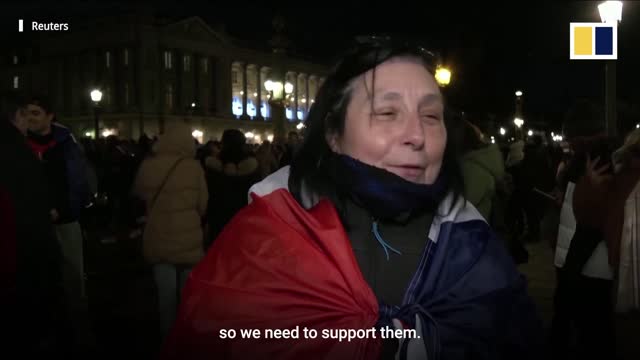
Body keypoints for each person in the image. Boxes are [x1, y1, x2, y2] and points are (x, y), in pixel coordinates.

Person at [163, 39, 542, 360]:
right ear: (332, 132)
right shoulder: (262, 241)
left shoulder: (475, 246)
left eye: (431, 115)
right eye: (387, 112)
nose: (417, 135)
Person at [551, 100, 618, 359]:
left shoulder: (597, 155)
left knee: (593, 331)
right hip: (576, 256)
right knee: (588, 328)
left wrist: (571, 267)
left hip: (588, 262)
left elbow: (595, 215)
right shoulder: (586, 157)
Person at [0, 91, 65, 355]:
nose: (29, 122)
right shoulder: (17, 152)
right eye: (26, 115)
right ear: (16, 117)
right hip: (23, 255)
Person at [132, 121, 208, 341]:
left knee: (165, 297)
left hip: (159, 235)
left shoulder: (149, 165)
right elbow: (202, 204)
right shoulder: (193, 167)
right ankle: (186, 339)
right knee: (187, 295)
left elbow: (138, 196)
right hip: (189, 239)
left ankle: (168, 340)